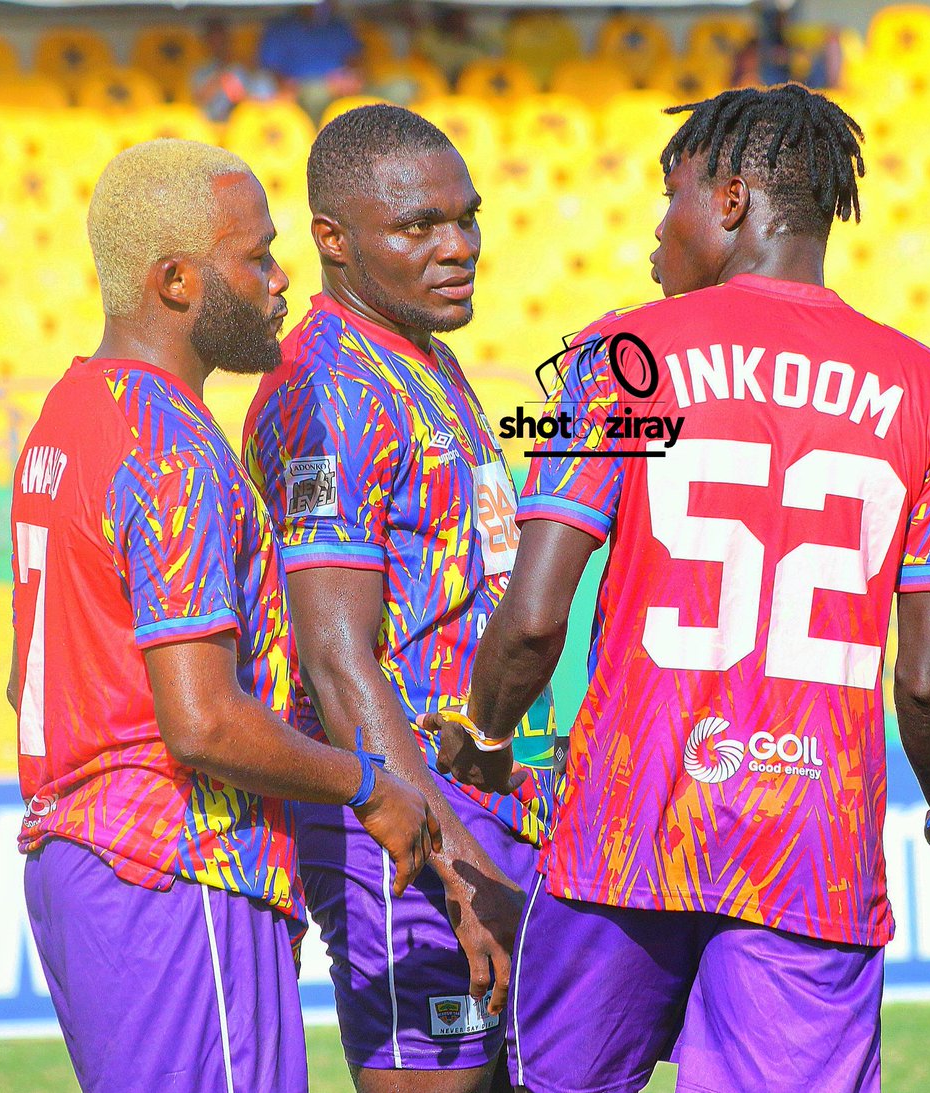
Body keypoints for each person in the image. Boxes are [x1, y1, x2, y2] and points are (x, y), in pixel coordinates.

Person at [431, 84, 930, 1093]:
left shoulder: (622, 358)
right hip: (809, 850)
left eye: (666, 197)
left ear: (726, 199)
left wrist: (487, 735)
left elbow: (536, 618)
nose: (652, 236)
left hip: (622, 835)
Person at [8, 138, 440, 1092]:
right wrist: (367, 780)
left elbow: (25, 678)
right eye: (255, 257)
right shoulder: (173, 446)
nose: (283, 281)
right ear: (175, 280)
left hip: (86, 864)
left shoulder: (68, 413)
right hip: (176, 870)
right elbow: (200, 719)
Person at [242, 104, 553, 1093]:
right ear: (332, 239)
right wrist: (453, 864)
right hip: (405, 831)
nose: (457, 246)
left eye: (466, 218)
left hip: (480, 806)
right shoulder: (325, 385)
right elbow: (339, 657)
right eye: (418, 227)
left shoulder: (430, 360)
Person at [258, 2, 364, 119]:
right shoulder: (280, 27)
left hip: (337, 88)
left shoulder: (338, 26)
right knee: (315, 94)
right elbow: (269, 68)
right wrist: (283, 86)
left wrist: (349, 77)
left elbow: (355, 61)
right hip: (297, 90)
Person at [192, 18, 276, 123]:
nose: (218, 44)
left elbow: (266, 98)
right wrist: (222, 78)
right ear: (206, 42)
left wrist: (242, 99)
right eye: (213, 40)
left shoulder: (242, 66)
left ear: (228, 39)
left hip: (248, 122)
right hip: (216, 126)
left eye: (221, 39)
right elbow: (199, 99)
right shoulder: (201, 70)